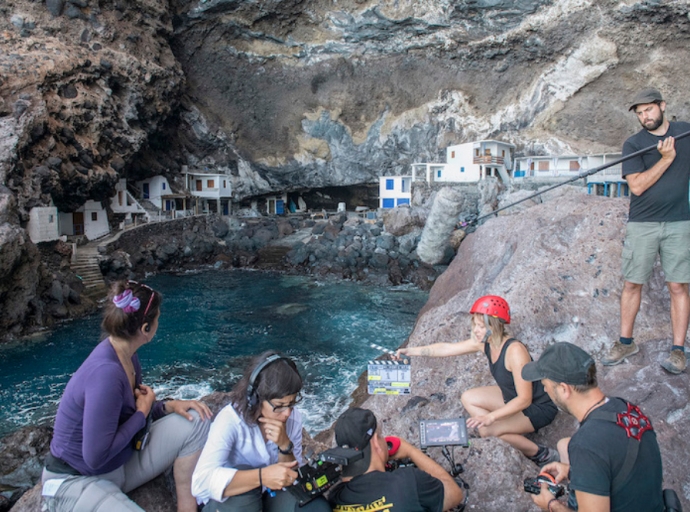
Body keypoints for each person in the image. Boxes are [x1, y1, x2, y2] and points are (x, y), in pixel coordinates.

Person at [42, 280, 213, 512]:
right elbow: (94, 457)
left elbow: (126, 411)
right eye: (157, 319)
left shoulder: (127, 356)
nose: (158, 324)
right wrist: (142, 413)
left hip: (119, 464)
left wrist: (166, 407)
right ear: (145, 329)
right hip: (76, 480)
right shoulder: (106, 374)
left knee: (197, 418)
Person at [396, 295, 558, 466]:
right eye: (475, 325)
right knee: (468, 397)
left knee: (487, 431)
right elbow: (446, 348)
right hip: (512, 398)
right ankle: (505, 427)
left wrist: (491, 418)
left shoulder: (514, 351)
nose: (476, 331)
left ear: (494, 326)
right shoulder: (485, 343)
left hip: (537, 406)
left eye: (481, 326)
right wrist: (411, 351)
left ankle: (541, 453)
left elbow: (525, 399)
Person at [601, 87, 690, 374]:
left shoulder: (684, 133)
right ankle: (626, 342)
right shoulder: (634, 144)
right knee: (632, 283)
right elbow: (636, 186)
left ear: (662, 106)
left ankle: (678, 351)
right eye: (640, 113)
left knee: (677, 286)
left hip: (680, 222)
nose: (644, 116)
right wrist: (665, 159)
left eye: (649, 110)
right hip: (643, 223)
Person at [522, 342, 664, 512]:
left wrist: (551, 504)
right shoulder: (625, 408)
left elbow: (596, 451)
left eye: (546, 385)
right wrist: (573, 472)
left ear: (564, 389)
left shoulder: (586, 445)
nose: (545, 390)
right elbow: (613, 462)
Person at [191, 352, 330, 512]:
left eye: (291, 404)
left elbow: (293, 478)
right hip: (232, 503)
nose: (287, 413)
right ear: (256, 399)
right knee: (244, 488)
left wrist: (285, 446)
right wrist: (261, 476)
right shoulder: (230, 420)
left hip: (269, 496)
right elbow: (200, 483)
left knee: (317, 507)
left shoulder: (292, 418)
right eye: (279, 405)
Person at [328, 407, 465, 512]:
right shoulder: (407, 481)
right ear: (376, 442)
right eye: (380, 436)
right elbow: (454, 494)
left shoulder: (335, 497)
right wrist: (411, 451)